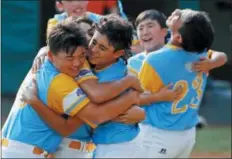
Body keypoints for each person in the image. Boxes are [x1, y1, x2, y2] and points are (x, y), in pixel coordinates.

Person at [1, 19, 142, 158]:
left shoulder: (84, 63)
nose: (92, 51)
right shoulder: (60, 78)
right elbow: (92, 113)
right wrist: (132, 95)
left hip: (105, 145)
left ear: (118, 54)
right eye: (93, 42)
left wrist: (140, 111)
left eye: (102, 48)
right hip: (35, 149)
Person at [137, 9, 227, 158]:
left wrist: (158, 97)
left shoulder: (154, 60)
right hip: (187, 136)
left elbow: (134, 99)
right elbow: (222, 56)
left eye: (181, 16)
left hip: (157, 135)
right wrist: (211, 63)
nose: (177, 11)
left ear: (178, 37)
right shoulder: (200, 53)